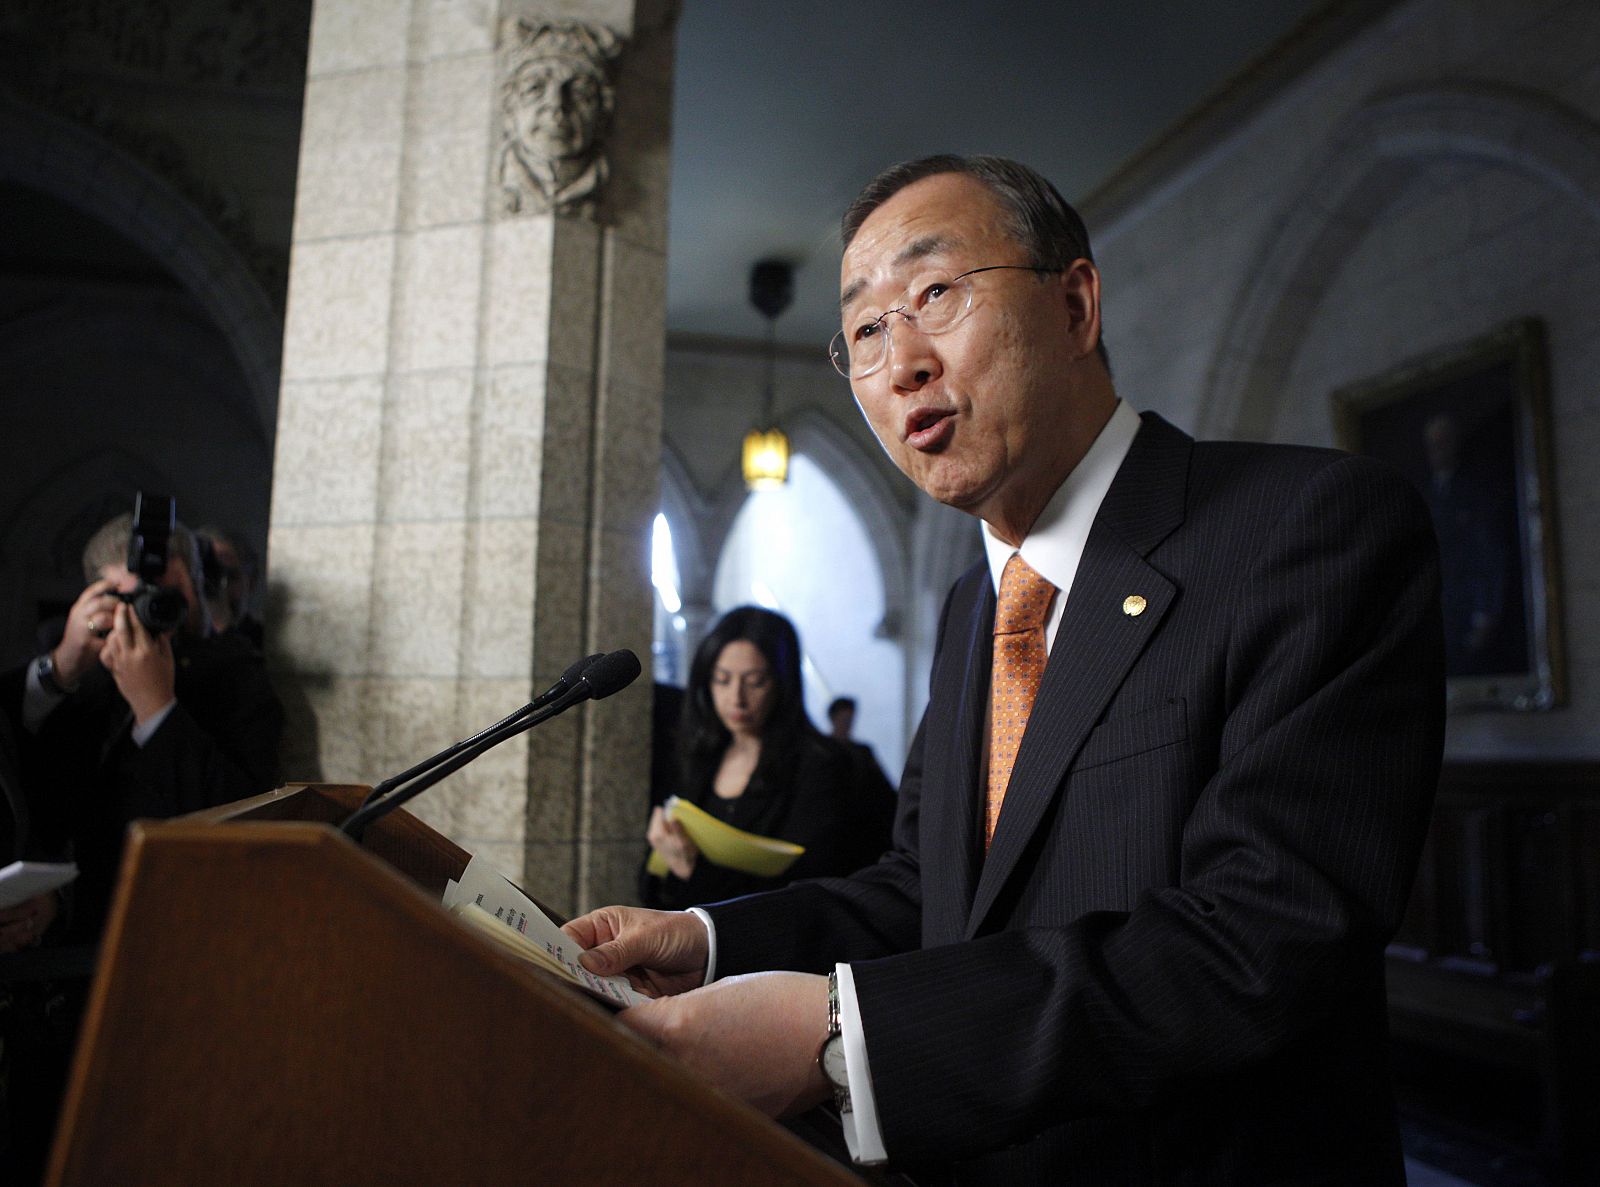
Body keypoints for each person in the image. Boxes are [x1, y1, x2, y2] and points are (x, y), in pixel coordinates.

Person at [565, 155, 1445, 1185]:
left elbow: (1263, 936)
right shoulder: (972, 607)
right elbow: (929, 890)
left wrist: (844, 1037)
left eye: (933, 294)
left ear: (1073, 305)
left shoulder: (1307, 528)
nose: (900, 364)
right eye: (862, 333)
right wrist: (706, 938)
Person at [5, 511, 284, 941]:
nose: (151, 610)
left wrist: (157, 708)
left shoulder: (240, 673)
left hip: (185, 923)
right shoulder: (74, 654)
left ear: (196, 586)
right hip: (72, 926)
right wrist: (59, 668)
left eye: (169, 594)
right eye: (127, 597)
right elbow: (18, 756)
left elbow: (249, 814)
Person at [640, 607, 863, 909]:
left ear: (782, 683)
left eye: (755, 682)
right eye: (722, 679)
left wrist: (692, 870)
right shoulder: (702, 753)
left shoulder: (820, 765)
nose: (736, 698)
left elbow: (813, 888)